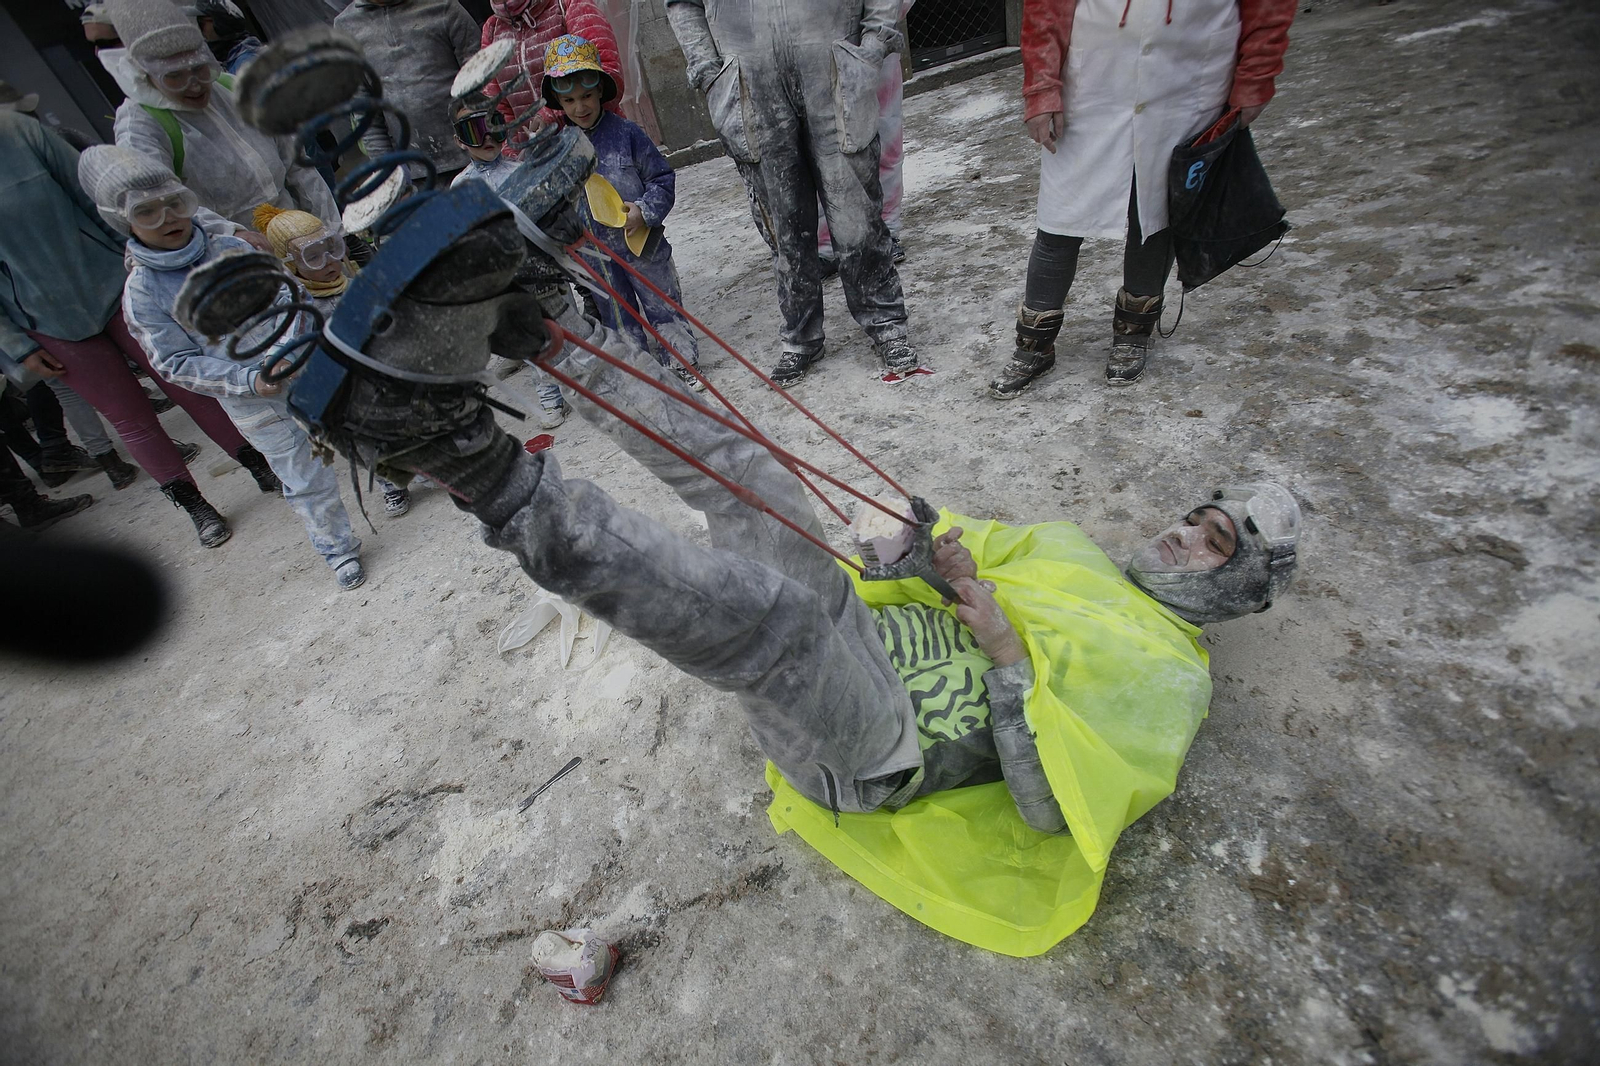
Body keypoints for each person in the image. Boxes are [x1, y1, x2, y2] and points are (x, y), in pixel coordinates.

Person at [84, 145, 368, 584]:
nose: (169, 218)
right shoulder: (143, 293)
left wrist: (293, 347)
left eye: (174, 204)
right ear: (123, 220)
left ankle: (397, 480)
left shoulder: (232, 248)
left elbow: (288, 294)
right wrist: (250, 379)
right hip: (256, 404)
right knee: (303, 476)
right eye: (148, 213)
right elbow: (175, 362)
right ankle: (337, 549)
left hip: (311, 370)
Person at [989, 0, 1297, 397]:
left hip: (1188, 81)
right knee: (1059, 218)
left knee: (1154, 211)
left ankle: (1134, 333)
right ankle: (1034, 345)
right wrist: (1041, 87)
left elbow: (1269, 7)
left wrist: (1256, 75)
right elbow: (1045, 8)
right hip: (1093, 84)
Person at [0, 110, 280, 546]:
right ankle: (195, 505)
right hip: (45, 319)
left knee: (192, 385)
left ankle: (259, 463)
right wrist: (13, 344)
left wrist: (149, 262)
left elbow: (99, 201)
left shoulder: (20, 131)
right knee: (129, 419)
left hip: (118, 282)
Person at [666, 0, 920, 387]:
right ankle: (801, 337)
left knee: (856, 216)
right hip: (750, 78)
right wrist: (706, 67)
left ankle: (885, 323)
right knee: (785, 225)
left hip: (833, 65)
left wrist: (873, 42)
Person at [542, 35, 704, 393]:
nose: (580, 106)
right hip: (594, 254)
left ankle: (681, 363)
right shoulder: (558, 149)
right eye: (569, 100)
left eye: (586, 96)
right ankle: (640, 374)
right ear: (558, 102)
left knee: (662, 304)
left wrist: (644, 211)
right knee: (617, 315)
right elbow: (554, 201)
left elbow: (662, 178)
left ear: (600, 90)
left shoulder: (627, 134)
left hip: (642, 244)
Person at [103, 0, 340, 231]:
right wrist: (234, 235)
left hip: (297, 234)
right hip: (236, 255)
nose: (195, 85)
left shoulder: (232, 89)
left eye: (199, 68)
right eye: (174, 76)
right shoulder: (141, 127)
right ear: (145, 74)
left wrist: (330, 229)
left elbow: (298, 166)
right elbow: (162, 207)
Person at [252, 203, 412, 517]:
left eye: (332, 249)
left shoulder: (352, 284)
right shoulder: (296, 309)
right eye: (313, 256)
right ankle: (390, 483)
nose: (330, 262)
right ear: (290, 265)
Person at [449, 95, 573, 428]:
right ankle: (550, 394)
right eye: (475, 130)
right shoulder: (461, 188)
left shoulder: (522, 170)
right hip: (509, 282)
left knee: (569, 328)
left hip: (548, 272)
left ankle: (585, 387)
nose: (488, 137)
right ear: (460, 139)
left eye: (494, 126)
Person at [334, 0, 482, 185]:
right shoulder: (346, 28)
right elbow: (366, 114)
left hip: (475, 156)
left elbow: (483, 81)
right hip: (415, 175)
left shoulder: (442, 5)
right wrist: (390, 176)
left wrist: (484, 144)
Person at [817, 0, 913, 276]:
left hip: (876, 35)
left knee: (886, 140)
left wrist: (884, 20)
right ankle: (825, 243)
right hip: (815, 45)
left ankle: (887, 230)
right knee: (821, 146)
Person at [479, 0, 624, 137]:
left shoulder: (567, 4)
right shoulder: (491, 30)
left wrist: (549, 117)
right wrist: (514, 157)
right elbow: (498, 108)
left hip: (603, 140)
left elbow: (608, 72)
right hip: (540, 156)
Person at [193, 0, 263, 75]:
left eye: (201, 24)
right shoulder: (230, 59)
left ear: (220, 26)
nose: (201, 31)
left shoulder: (245, 63)